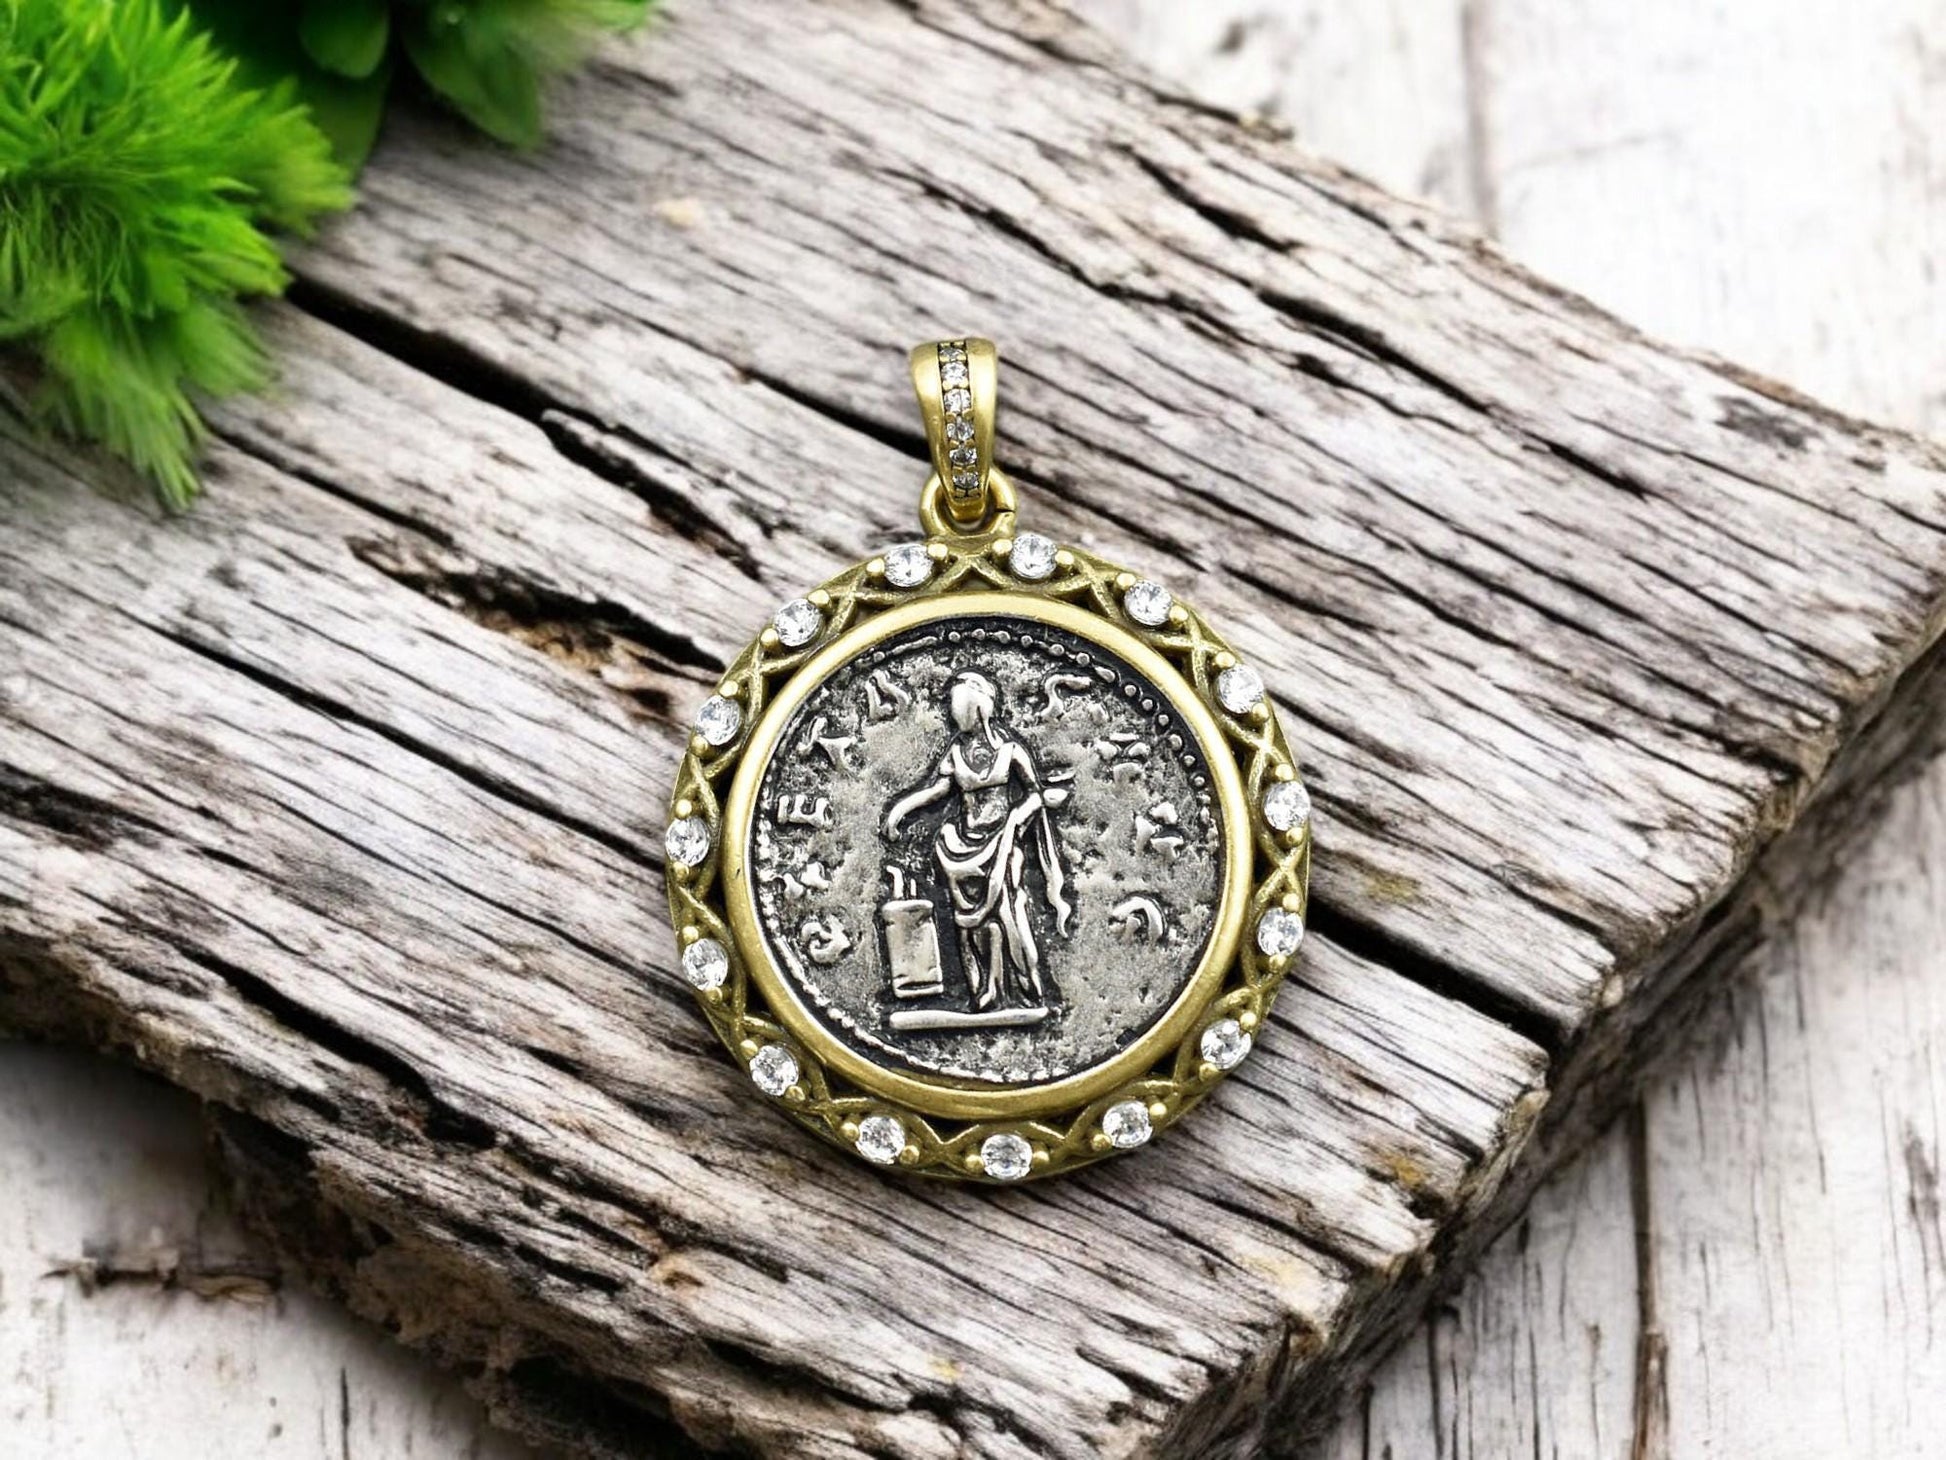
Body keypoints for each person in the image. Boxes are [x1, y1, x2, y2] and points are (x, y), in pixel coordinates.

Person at [884, 671, 1072, 1012]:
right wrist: (901, 809)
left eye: (958, 707)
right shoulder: (957, 752)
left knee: (1009, 915)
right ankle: (983, 991)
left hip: (1003, 844)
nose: (953, 715)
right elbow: (938, 791)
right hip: (961, 849)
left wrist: (1016, 818)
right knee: (967, 924)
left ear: (977, 709)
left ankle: (1029, 988)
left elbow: (1035, 794)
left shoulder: (1011, 751)